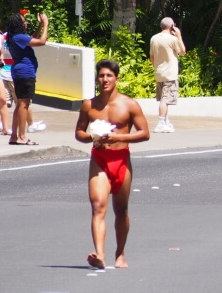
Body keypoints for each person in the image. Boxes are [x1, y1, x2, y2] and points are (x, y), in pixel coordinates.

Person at [74, 59, 150, 270]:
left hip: (121, 159)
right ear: (97, 78)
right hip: (99, 159)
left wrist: (119, 137)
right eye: (101, 75)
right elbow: (79, 133)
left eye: (109, 75)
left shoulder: (129, 104)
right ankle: (99, 254)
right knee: (98, 206)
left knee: (121, 209)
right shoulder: (89, 105)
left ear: (116, 78)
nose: (105, 79)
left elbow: (145, 133)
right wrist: (92, 136)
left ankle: (120, 253)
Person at [6, 11, 49, 146]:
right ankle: (22, 136)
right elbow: (41, 41)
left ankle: (14, 136)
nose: (26, 23)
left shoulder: (15, 37)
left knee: (20, 105)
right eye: (23, 21)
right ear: (18, 24)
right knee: (24, 105)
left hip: (19, 73)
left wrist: (40, 26)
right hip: (25, 74)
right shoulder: (19, 37)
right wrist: (46, 25)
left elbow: (31, 39)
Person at [149, 17, 186, 133]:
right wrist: (179, 35)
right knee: (165, 100)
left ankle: (165, 121)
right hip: (170, 73)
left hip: (159, 72)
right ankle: (160, 123)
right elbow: (183, 52)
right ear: (172, 27)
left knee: (164, 98)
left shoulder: (154, 38)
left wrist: (156, 67)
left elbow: (152, 57)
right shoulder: (172, 39)